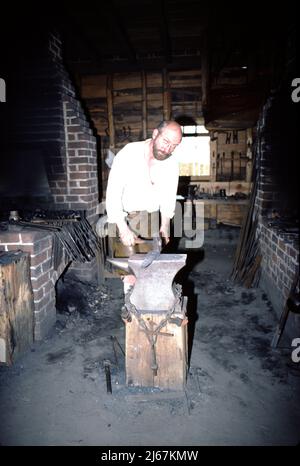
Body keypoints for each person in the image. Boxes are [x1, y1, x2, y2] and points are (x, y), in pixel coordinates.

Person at [105, 120, 183, 247]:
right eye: (166, 141)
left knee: (151, 263)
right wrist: (123, 229)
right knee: (124, 263)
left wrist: (164, 227)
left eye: (174, 145)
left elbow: (168, 199)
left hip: (151, 220)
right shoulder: (129, 153)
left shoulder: (171, 164)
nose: (168, 149)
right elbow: (113, 193)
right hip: (123, 218)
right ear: (155, 134)